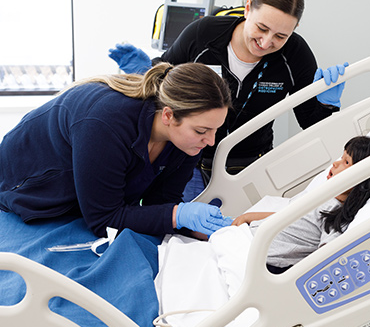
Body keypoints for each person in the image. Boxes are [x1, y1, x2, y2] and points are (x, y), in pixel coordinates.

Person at [108, 0, 348, 200]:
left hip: (250, 163)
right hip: (188, 157)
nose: (266, 43)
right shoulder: (203, 36)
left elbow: (311, 122)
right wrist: (142, 72)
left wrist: (328, 105)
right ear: (247, 8)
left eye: (280, 36)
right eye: (262, 28)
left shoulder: (295, 55)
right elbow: (161, 82)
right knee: (178, 231)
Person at [0, 62, 234, 238]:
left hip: (85, 190)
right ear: (168, 116)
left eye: (215, 130)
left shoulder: (188, 141)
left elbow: (161, 203)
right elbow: (104, 220)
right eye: (202, 131)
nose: (211, 141)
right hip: (24, 181)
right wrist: (178, 215)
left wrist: (199, 230)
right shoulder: (105, 125)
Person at [232, 136, 370, 273]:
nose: (335, 163)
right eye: (342, 156)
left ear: (364, 180)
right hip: (249, 237)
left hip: (261, 260)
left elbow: (326, 255)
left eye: (346, 162)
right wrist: (250, 216)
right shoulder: (324, 195)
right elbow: (289, 217)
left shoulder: (336, 213)